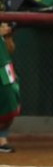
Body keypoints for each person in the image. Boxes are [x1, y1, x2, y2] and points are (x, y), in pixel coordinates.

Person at [0, 19, 17, 153]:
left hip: (5, 71)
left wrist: (6, 35)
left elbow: (10, 49)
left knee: (11, 105)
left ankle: (2, 140)